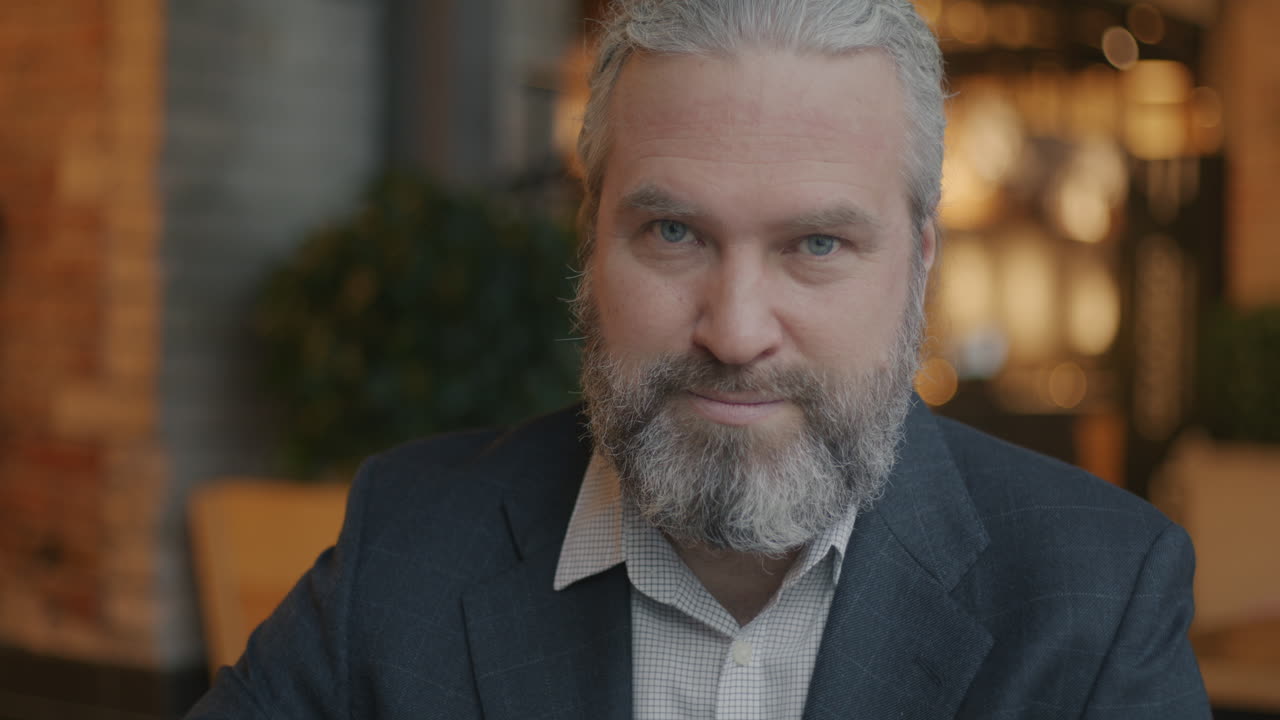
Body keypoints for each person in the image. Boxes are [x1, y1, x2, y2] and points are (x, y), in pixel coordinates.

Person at [188, 1, 1210, 717]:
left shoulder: (1096, 598)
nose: (733, 330)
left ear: (918, 264)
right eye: (673, 233)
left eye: (814, 245)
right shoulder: (406, 547)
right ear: (592, 241)